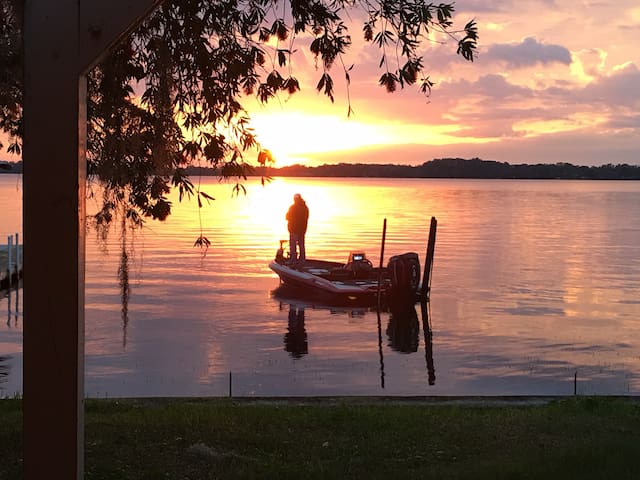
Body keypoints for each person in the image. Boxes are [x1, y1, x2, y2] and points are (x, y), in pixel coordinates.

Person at [286, 193, 309, 263]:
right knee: (301, 245)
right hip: (302, 230)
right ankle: (302, 259)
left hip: (294, 229)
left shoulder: (293, 207)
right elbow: (306, 218)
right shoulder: (305, 208)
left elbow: (287, 217)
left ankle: (293, 259)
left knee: (293, 245)